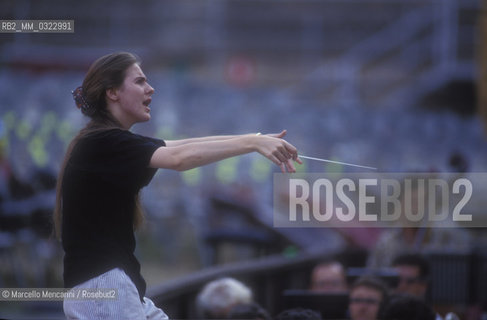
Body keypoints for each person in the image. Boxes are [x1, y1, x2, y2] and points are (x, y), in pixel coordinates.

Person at [53, 52, 301, 320]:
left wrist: (254, 140)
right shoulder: (104, 144)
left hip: (113, 288)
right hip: (105, 289)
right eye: (139, 81)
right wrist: (253, 143)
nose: (150, 88)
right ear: (112, 93)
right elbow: (181, 158)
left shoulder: (105, 141)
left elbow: (182, 146)